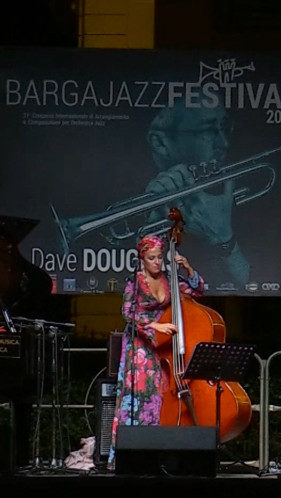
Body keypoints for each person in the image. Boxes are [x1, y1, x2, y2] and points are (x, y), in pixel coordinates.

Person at [106, 234, 204, 469]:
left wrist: (189, 268)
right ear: (142, 258)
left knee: (160, 397)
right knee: (139, 397)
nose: (157, 262)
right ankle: (131, 454)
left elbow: (198, 290)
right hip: (140, 346)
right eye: (152, 258)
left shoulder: (170, 280)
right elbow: (127, 313)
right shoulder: (135, 281)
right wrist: (155, 325)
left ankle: (158, 453)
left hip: (164, 346)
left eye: (160, 257)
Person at [142, 100, 250, 285]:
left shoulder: (242, 195)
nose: (224, 143)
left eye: (225, 127)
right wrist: (148, 230)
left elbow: (251, 282)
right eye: (208, 130)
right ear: (160, 142)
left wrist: (224, 238)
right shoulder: (137, 201)